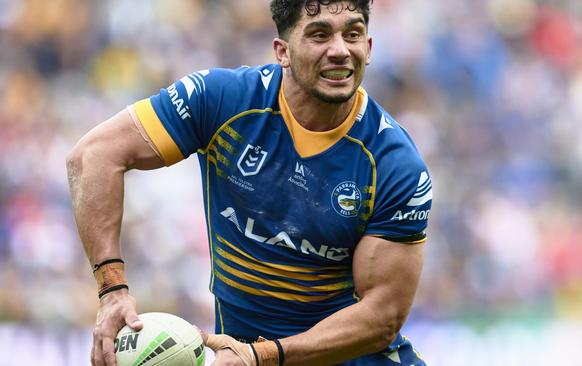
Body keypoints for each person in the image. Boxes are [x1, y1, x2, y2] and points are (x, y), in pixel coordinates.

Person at [66, 0, 432, 365]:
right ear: (282, 52)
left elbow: (381, 318)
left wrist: (263, 356)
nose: (339, 50)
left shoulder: (393, 165)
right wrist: (112, 289)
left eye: (353, 34)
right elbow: (92, 156)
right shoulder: (223, 101)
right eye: (319, 35)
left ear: (368, 49)